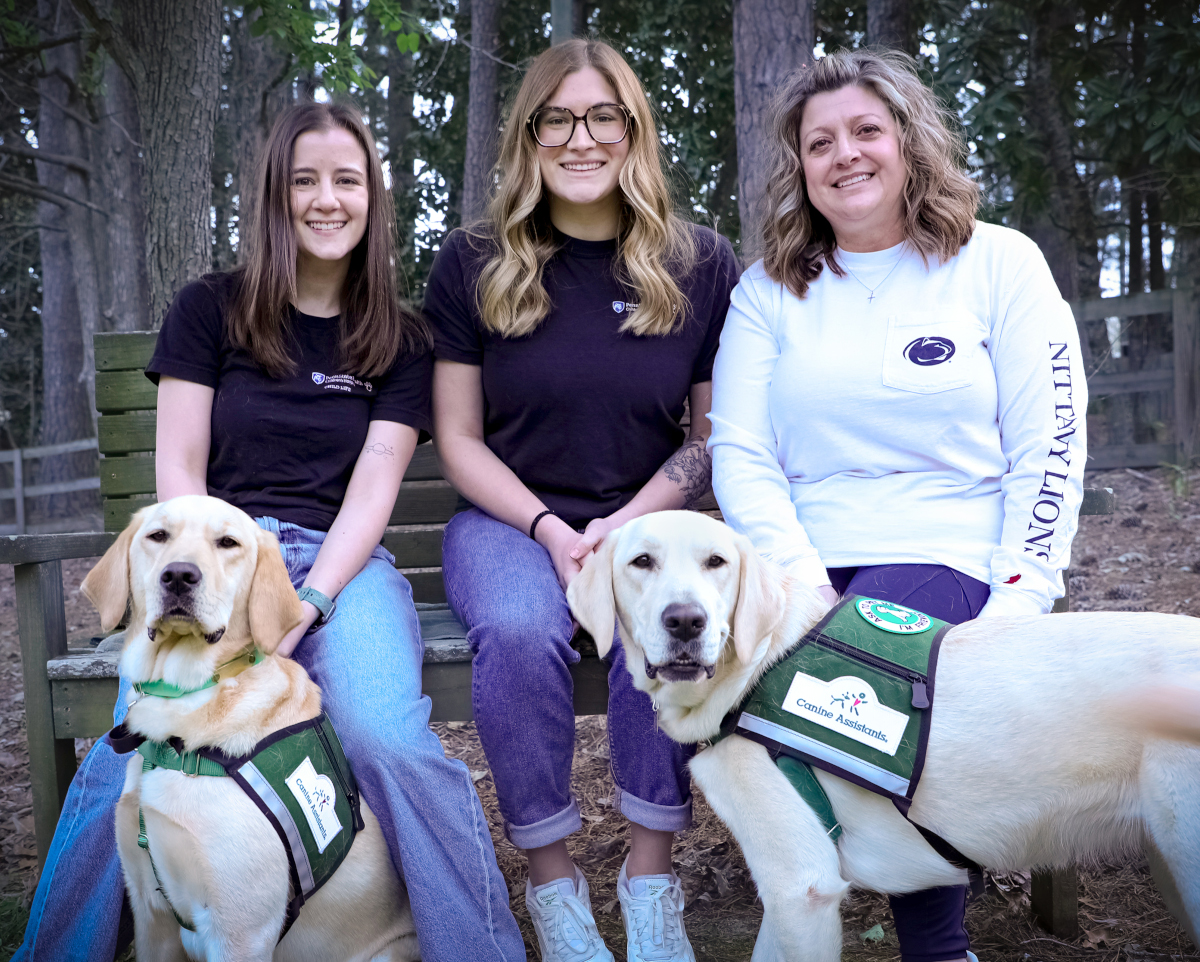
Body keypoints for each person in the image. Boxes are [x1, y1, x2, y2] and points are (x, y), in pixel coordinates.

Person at [15, 102, 525, 962]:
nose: (327, 200)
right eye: (305, 181)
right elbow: (178, 472)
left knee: (386, 741)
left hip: (341, 567)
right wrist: (219, 580)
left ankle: (484, 950)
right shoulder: (210, 310)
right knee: (125, 756)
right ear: (275, 197)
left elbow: (373, 489)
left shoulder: (400, 339)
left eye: (348, 181)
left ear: (373, 200)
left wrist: (313, 598)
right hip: (210, 562)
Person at [708, 49, 1087, 962]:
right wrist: (798, 584)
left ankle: (935, 942)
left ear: (910, 142)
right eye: (820, 142)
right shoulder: (769, 292)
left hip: (954, 549)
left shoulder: (999, 264)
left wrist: (1025, 586)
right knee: (730, 665)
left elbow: (1053, 440)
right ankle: (803, 902)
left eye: (866, 131)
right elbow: (741, 452)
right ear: (800, 167)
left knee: (877, 651)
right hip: (801, 555)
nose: (846, 155)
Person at [426, 39, 740, 962]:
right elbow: (457, 437)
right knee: (521, 632)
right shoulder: (476, 261)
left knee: (659, 611)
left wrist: (628, 529)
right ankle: (553, 882)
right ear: (529, 135)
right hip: (508, 521)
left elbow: (707, 438)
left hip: (653, 520)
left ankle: (651, 879)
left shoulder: (699, 262)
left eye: (605, 116)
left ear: (634, 131)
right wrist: (552, 529)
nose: (580, 138)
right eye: (556, 118)